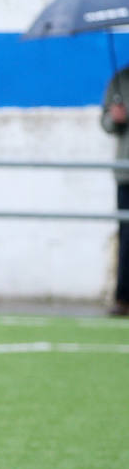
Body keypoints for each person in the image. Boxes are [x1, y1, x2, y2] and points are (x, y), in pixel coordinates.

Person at [102, 64, 129, 316]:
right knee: (127, 237)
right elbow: (106, 122)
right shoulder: (121, 79)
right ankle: (124, 298)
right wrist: (115, 118)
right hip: (126, 172)